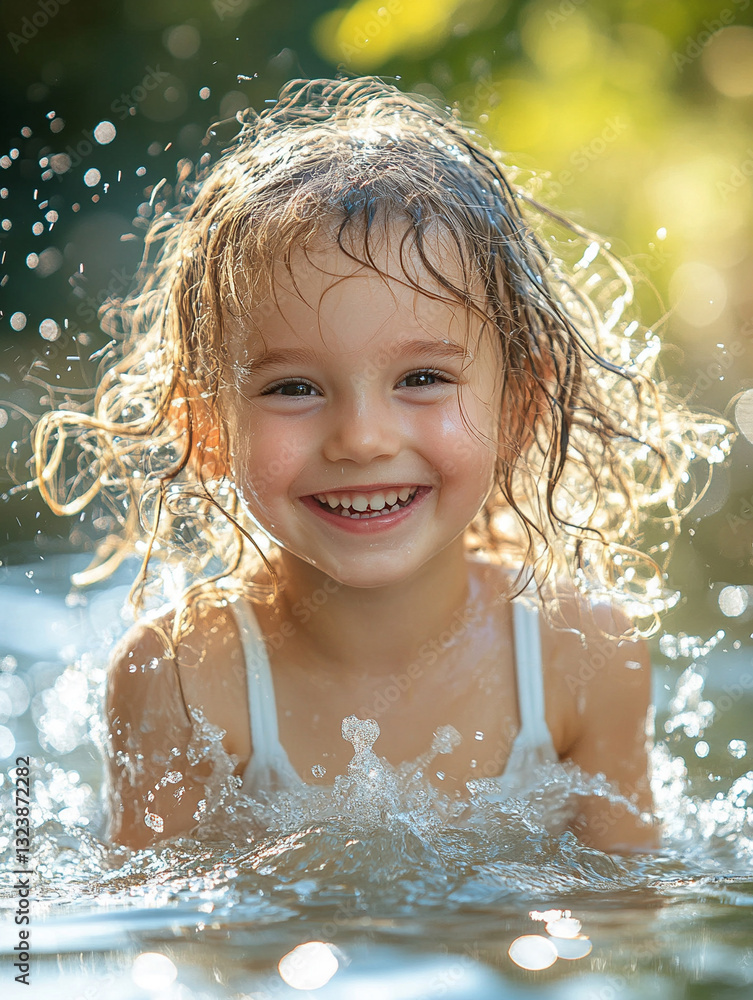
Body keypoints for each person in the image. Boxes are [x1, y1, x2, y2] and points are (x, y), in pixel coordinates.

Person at [32, 77, 722, 853]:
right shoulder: (184, 678)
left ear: (520, 408)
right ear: (208, 429)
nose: (361, 438)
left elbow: (626, 921)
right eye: (293, 387)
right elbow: (159, 938)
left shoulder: (581, 656)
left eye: (421, 379)